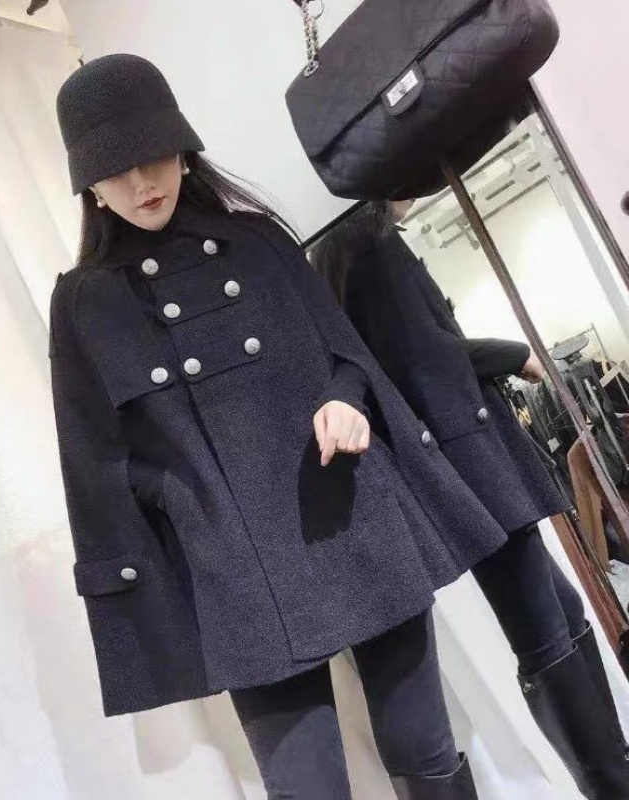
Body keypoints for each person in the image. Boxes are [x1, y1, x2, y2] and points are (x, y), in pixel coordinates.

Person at [48, 54, 517, 799]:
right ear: (89, 186)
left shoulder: (258, 242)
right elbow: (96, 466)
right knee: (306, 786)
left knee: (423, 746)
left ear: (182, 148)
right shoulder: (85, 305)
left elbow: (347, 357)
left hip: (349, 511)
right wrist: (176, 514)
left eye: (155, 155)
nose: (143, 183)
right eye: (117, 169)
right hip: (235, 567)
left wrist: (345, 401)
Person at [312, 199, 629, 800]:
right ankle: (610, 783)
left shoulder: (345, 249)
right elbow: (423, 358)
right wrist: (513, 353)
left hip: (462, 455)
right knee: (545, 631)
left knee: (560, 617)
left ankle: (614, 771)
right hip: (469, 459)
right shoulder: (370, 247)